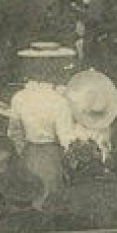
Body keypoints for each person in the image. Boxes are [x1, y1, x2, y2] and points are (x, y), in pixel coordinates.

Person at [6, 42, 79, 206]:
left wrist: (21, 151)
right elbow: (66, 138)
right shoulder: (60, 100)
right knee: (49, 198)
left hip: (28, 154)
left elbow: (14, 133)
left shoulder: (19, 97)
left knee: (30, 197)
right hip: (51, 156)